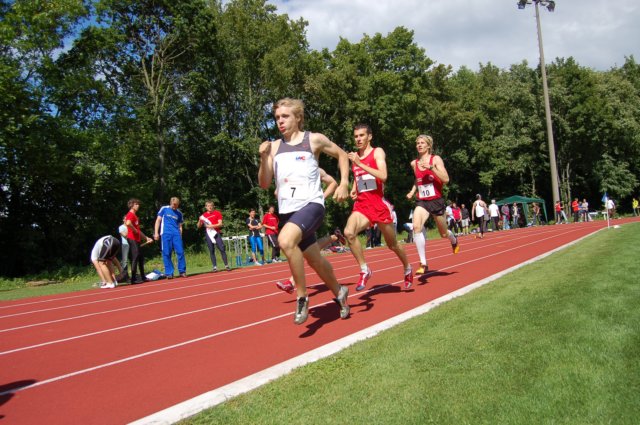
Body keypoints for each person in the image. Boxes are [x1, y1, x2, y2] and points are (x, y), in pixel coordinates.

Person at [258, 97, 350, 325]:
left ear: (298, 117)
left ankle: (301, 296)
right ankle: (340, 292)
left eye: (285, 116)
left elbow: (342, 155)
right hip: (288, 212)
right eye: (277, 117)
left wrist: (344, 182)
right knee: (315, 260)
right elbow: (264, 183)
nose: (280, 121)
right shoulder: (274, 147)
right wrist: (263, 157)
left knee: (285, 241)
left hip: (312, 205)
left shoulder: (313, 139)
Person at [344, 124, 413, 291]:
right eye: (356, 136)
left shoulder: (377, 152)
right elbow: (359, 177)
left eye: (361, 135)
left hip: (378, 206)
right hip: (362, 206)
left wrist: (360, 163)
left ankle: (407, 267)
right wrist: (354, 189)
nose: (358, 139)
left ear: (369, 136)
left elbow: (383, 176)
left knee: (392, 244)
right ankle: (364, 269)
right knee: (349, 233)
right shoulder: (356, 158)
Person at [406, 134, 460, 275]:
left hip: (436, 200)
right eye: (417, 143)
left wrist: (431, 168)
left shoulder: (435, 159)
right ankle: (423, 263)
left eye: (422, 143)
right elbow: (417, 179)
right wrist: (412, 191)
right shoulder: (414, 163)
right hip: (422, 201)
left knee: (443, 233)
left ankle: (453, 239)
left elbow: (446, 179)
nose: (419, 145)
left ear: (429, 146)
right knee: (416, 227)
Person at [154, 197, 187, 279]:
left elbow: (180, 226)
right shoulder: (164, 209)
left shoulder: (179, 213)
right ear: (170, 203)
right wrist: (156, 233)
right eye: (173, 205)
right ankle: (169, 272)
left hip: (176, 234)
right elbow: (158, 220)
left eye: (176, 205)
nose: (174, 206)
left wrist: (180, 235)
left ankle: (182, 271)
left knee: (180, 251)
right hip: (166, 233)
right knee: (166, 252)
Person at [125, 198, 153, 284]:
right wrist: (134, 230)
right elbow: (128, 223)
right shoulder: (130, 214)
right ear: (132, 205)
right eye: (136, 204)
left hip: (137, 239)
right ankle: (133, 279)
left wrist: (146, 238)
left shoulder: (135, 216)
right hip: (132, 238)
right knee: (135, 257)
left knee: (140, 258)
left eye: (138, 204)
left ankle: (143, 277)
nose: (138, 206)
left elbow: (138, 231)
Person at [198, 200, 231, 272]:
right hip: (208, 234)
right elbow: (198, 226)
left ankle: (226, 265)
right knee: (211, 250)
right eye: (208, 206)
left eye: (211, 206)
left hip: (216, 233)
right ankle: (215, 267)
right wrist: (199, 220)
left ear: (213, 206)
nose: (210, 207)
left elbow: (220, 224)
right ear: (206, 207)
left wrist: (211, 226)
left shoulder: (217, 213)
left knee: (222, 249)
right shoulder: (204, 216)